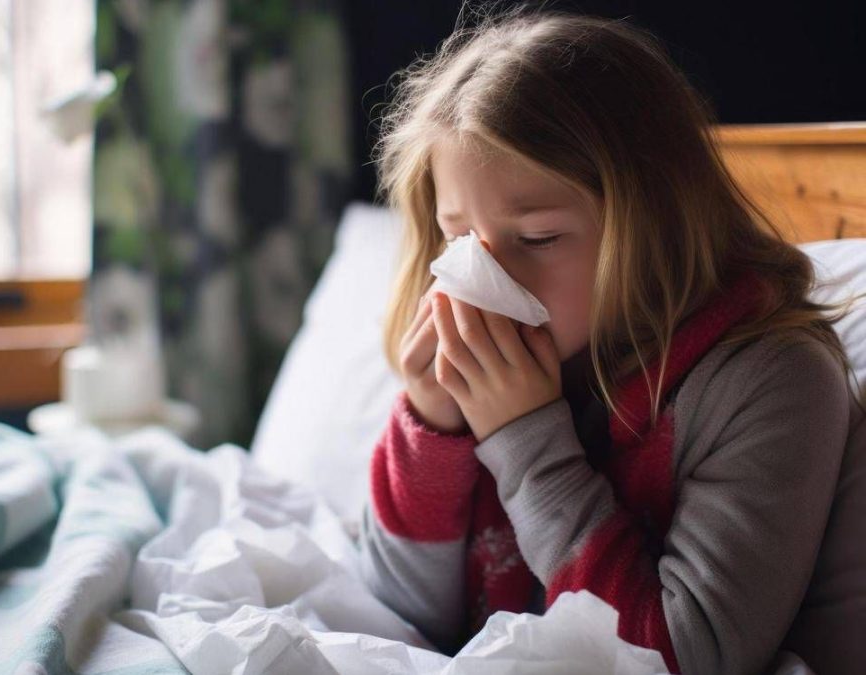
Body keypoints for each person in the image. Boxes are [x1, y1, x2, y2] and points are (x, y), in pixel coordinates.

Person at [356, 5, 866, 674]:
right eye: (458, 238)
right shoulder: (530, 351)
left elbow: (682, 656)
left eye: (536, 237)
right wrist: (431, 424)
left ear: (654, 224)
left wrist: (526, 438)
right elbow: (400, 610)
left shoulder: (771, 378)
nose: (481, 277)